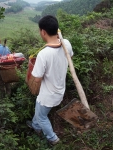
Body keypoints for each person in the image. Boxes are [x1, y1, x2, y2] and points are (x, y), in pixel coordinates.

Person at [26, 15, 73, 145]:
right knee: (39, 112)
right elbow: (70, 58)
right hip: (59, 91)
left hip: (47, 96)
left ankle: (53, 139)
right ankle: (35, 125)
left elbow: (37, 79)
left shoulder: (44, 54)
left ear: (43, 32)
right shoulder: (66, 44)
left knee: (42, 116)